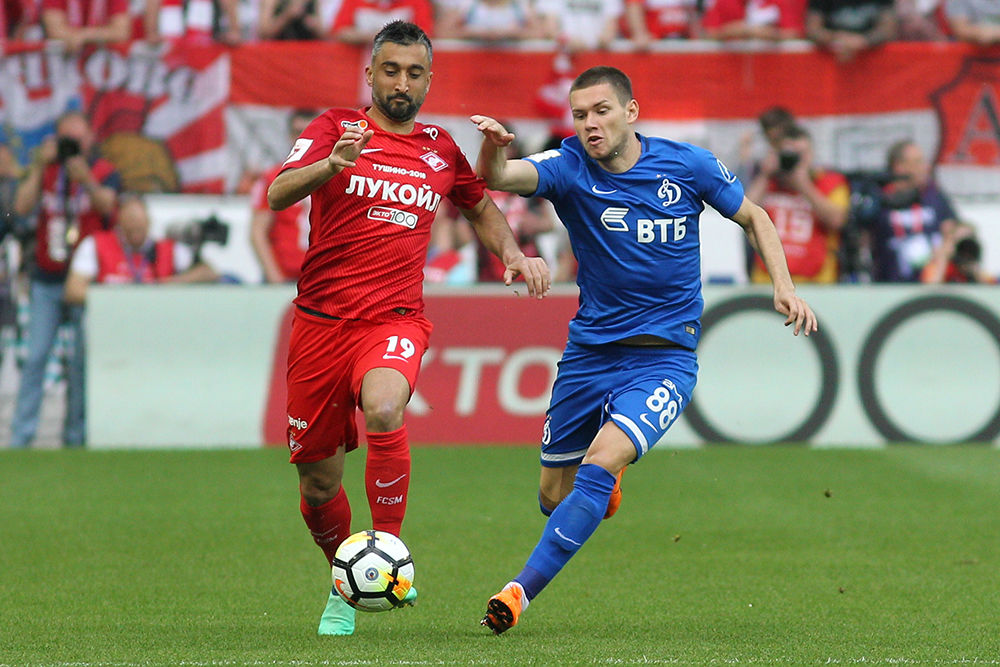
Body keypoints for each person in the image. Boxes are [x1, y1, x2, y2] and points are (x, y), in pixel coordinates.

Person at [470, 65, 817, 635]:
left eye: (601, 111)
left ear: (631, 112)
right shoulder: (568, 167)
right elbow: (501, 177)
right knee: (553, 496)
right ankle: (603, 484)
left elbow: (754, 216)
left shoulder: (687, 165)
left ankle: (519, 591)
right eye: (580, 115)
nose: (589, 124)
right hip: (589, 355)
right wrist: (493, 147)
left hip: (663, 359)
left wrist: (784, 285)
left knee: (601, 461)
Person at [266, 20, 550, 637]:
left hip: (394, 318)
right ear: (369, 74)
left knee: (385, 405)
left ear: (428, 80)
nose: (401, 83)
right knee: (318, 484)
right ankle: (345, 581)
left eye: (414, 73)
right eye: (390, 71)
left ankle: (389, 556)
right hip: (320, 324)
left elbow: (479, 204)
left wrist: (513, 253)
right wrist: (330, 165)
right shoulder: (335, 128)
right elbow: (278, 194)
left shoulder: (440, 147)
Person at [9, 110, 121, 449]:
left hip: (86, 281)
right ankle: (21, 437)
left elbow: (109, 207)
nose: (72, 144)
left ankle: (77, 437)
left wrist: (85, 178)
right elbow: (20, 207)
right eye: (66, 138)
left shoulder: (103, 171)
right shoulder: (47, 171)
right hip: (47, 278)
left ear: (90, 137)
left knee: (81, 362)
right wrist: (39, 166)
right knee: (36, 357)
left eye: (78, 137)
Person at [63, 194, 217, 304]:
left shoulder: (168, 249)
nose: (135, 234)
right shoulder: (96, 245)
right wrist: (119, 298)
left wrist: (170, 284)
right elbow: (73, 291)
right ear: (119, 224)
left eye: (139, 228)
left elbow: (209, 272)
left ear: (149, 223)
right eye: (130, 228)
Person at [745, 124, 849, 283]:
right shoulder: (769, 183)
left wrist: (803, 185)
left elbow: (837, 220)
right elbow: (743, 214)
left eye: (801, 154)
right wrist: (765, 175)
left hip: (816, 282)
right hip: (768, 280)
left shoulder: (830, 182)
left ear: (811, 154)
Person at [870, 139, 958, 282]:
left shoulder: (933, 195)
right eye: (917, 162)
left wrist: (945, 249)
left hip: (929, 281)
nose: (924, 167)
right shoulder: (880, 197)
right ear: (899, 167)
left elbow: (952, 227)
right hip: (890, 283)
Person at [249, 110, 315, 283]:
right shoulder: (272, 178)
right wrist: (275, 279)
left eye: (309, 132)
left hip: (320, 279)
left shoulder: (336, 176)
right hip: (285, 277)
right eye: (298, 132)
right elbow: (258, 232)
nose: (303, 138)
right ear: (289, 136)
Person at [805, 0, 897, 62]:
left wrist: (863, 40)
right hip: (831, 64)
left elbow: (888, 30)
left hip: (873, 64)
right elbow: (813, 30)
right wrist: (838, 39)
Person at [920, 221, 996, 284]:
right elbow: (930, 289)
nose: (965, 246)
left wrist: (976, 272)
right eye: (959, 240)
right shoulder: (940, 267)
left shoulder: (975, 268)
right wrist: (942, 260)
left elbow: (992, 290)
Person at [41, 0, 131, 52]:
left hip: (105, 65)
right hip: (63, 64)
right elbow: (55, 31)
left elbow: (121, 32)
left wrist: (83, 36)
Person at [703, 0, 807, 41]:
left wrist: (767, 34)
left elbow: (794, 33)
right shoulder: (725, 2)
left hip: (771, 66)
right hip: (730, 66)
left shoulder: (779, 2)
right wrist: (732, 31)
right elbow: (707, 34)